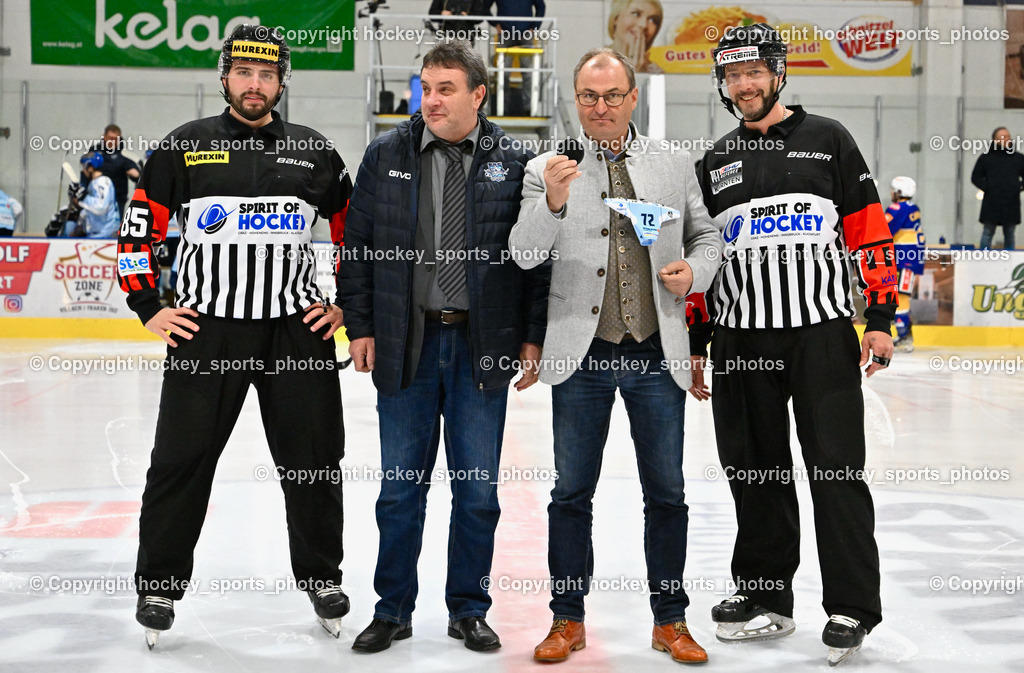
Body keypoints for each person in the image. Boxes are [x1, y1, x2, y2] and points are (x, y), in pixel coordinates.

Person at [116, 24, 353, 649]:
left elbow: (357, 234)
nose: (255, 85)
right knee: (180, 463)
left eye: (267, 74)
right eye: (244, 73)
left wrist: (346, 306)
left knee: (314, 465)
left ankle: (323, 579)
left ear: (281, 82)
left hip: (295, 334)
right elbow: (138, 233)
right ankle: (159, 586)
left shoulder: (316, 151)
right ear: (225, 76)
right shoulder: (182, 148)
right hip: (205, 331)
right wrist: (148, 306)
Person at [509, 47, 722, 665]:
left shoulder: (675, 163)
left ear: (632, 99)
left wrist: (696, 270)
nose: (599, 107)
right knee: (571, 493)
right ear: (575, 100)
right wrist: (550, 202)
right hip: (582, 356)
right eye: (588, 97)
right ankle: (566, 620)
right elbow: (524, 254)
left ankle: (671, 620)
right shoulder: (548, 166)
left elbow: (707, 235)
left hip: (658, 353)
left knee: (668, 494)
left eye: (611, 96)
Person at [695, 24, 897, 667]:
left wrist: (883, 317)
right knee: (754, 468)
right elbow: (704, 257)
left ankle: (851, 605)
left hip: (821, 332)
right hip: (739, 337)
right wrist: (699, 342)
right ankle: (763, 595)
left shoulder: (828, 139)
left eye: (755, 72)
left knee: (835, 467)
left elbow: (871, 232)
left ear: (778, 75)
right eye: (733, 75)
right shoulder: (714, 160)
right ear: (723, 84)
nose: (744, 84)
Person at [338, 40, 549, 654]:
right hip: (408, 345)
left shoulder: (516, 159)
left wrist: (532, 337)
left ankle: (468, 608)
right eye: (425, 89)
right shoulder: (386, 154)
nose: (431, 100)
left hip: (481, 346)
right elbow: (357, 250)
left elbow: (535, 260)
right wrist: (362, 327)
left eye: (445, 89)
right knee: (400, 490)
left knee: (478, 491)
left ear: (479, 95)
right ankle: (393, 609)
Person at [885, 176, 924, 352]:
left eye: (893, 190)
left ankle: (905, 337)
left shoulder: (897, 208)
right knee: (902, 297)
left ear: (899, 192)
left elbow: (884, 230)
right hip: (912, 260)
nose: (891, 193)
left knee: (900, 298)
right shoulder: (914, 208)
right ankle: (904, 336)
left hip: (902, 261)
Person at [489, 0, 546, 115]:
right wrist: (496, 24)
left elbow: (541, 7)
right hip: (505, 34)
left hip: (525, 33)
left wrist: (534, 28)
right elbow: (484, 7)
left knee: (528, 72)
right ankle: (502, 109)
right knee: (503, 73)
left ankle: (529, 109)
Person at [971, 126, 1024, 250]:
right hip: (991, 202)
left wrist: (1019, 187)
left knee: (1010, 234)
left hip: (1011, 202)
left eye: (1008, 136)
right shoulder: (986, 158)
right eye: (1003, 137)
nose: (1007, 139)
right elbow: (975, 177)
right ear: (995, 140)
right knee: (988, 232)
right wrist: (988, 188)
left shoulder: (1018, 158)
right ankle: (983, 259)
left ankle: (1009, 262)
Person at [607, 0, 663, 73]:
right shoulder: (594, 61)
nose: (643, 25)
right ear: (616, 18)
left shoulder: (658, 73)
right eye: (636, 14)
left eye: (653, 20)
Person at [73, 152, 120, 238]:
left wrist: (82, 198)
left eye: (84, 166)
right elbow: (90, 210)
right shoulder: (94, 183)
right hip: (98, 233)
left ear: (90, 167)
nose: (83, 170)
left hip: (106, 234)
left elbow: (101, 207)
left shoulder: (102, 182)